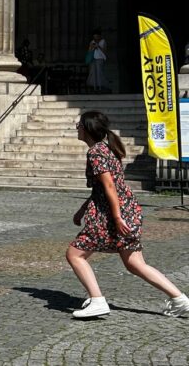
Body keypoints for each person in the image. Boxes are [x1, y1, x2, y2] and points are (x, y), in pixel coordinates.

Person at [66, 111, 189, 318]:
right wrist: (82, 209)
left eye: (79, 125)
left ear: (86, 128)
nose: (76, 128)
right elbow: (104, 187)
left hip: (111, 214)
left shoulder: (96, 152)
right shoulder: (108, 148)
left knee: (74, 254)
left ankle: (97, 300)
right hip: (128, 209)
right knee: (135, 263)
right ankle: (180, 299)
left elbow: (110, 186)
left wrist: (115, 218)